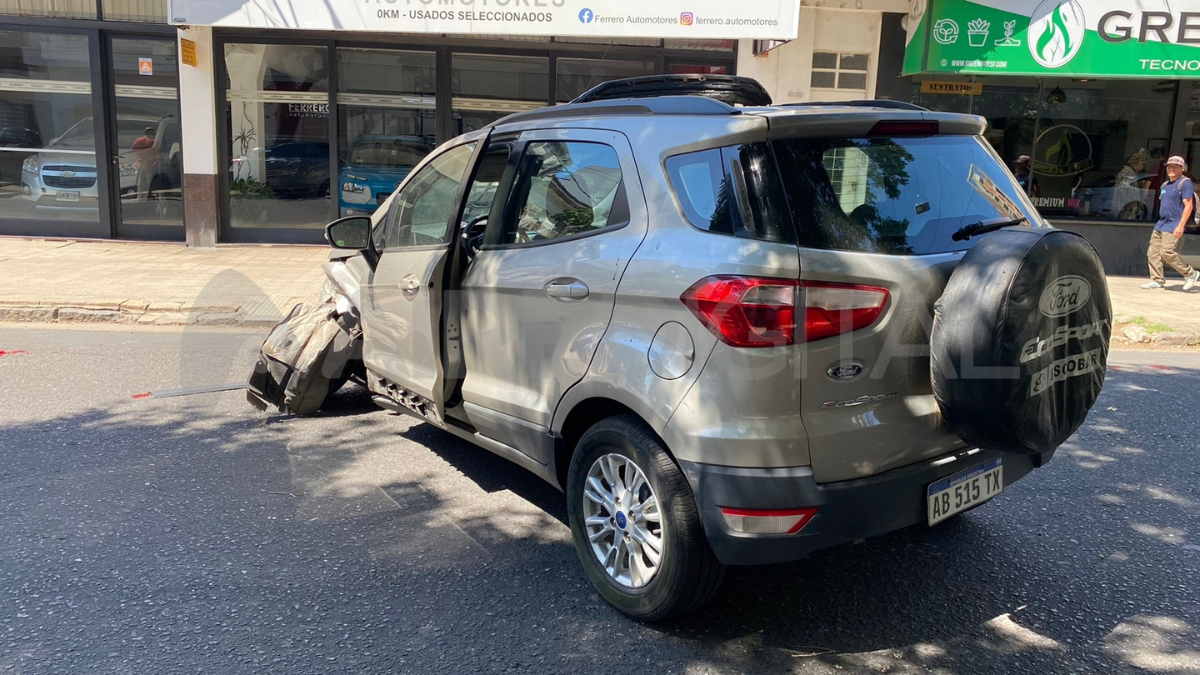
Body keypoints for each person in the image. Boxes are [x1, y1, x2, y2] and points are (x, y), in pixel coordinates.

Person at [1143, 155, 1200, 290]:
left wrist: (1181, 225)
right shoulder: (1165, 185)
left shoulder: (1185, 183)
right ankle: (1157, 281)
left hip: (1174, 223)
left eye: (1175, 167)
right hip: (1161, 223)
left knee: (1167, 252)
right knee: (1153, 253)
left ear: (1182, 168)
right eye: (1169, 166)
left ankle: (1190, 273)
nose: (1171, 169)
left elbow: (1188, 205)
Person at [1115, 149, 1149, 220]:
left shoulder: (1130, 172)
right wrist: (1128, 205)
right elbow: (1122, 187)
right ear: (1136, 163)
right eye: (1143, 164)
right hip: (1126, 208)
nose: (1143, 167)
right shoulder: (1129, 172)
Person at [131, 126, 158, 201]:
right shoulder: (155, 141)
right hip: (150, 163)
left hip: (144, 162)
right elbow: (158, 151)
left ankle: (141, 196)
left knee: (142, 180)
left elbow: (134, 149)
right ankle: (146, 195)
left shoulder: (139, 140)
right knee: (148, 179)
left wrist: (139, 157)